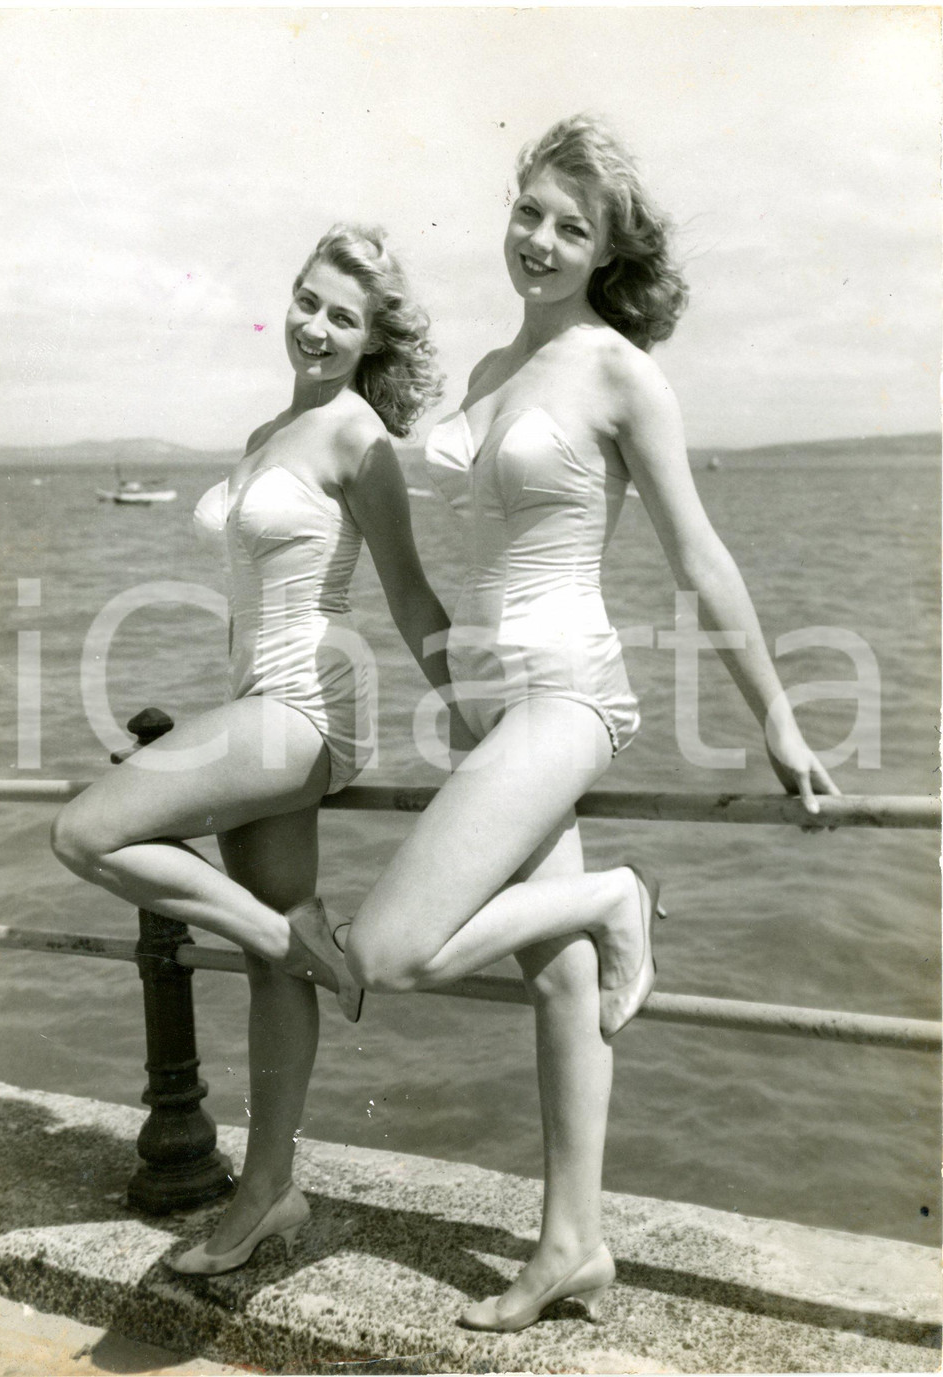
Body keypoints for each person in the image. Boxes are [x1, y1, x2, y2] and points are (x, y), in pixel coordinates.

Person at [298, 113, 839, 1332]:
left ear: (605, 251)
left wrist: (779, 722)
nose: (539, 240)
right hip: (492, 711)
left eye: (570, 226)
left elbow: (699, 562)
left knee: (385, 950)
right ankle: (572, 1244)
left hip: (567, 695)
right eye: (529, 213)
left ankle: (617, 897)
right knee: (555, 984)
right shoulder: (489, 374)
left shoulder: (617, 372)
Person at [50, 223, 456, 1274]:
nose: (316, 326)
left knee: (88, 829)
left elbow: (408, 593)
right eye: (308, 301)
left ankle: (295, 943)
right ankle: (268, 1188)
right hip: (255, 699)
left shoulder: (359, 438)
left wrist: (473, 704)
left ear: (372, 339)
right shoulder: (267, 431)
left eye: (343, 316)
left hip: (311, 707)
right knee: (271, 932)